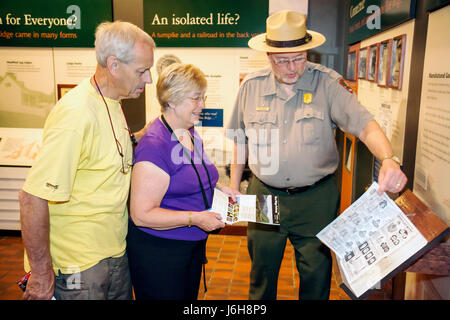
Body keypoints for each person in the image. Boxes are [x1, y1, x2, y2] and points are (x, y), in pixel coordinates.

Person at [227, 10, 407, 300]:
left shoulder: (328, 84)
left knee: (316, 275)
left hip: (316, 198)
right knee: (261, 272)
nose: (292, 68)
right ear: (269, 57)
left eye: (299, 58)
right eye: (283, 60)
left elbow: (366, 125)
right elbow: (239, 137)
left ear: (308, 51)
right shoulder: (251, 86)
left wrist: (388, 158)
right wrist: (235, 186)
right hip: (263, 194)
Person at [18, 20, 155, 300]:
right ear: (114, 65)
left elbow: (110, 152)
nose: (149, 79)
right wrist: (42, 274)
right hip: (78, 265)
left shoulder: (113, 102)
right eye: (142, 71)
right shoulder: (76, 114)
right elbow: (31, 198)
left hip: (113, 251)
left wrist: (156, 131)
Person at [126, 63, 235, 300]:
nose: (203, 105)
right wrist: (195, 218)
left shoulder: (188, 131)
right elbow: (141, 214)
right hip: (161, 253)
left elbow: (189, 178)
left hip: (189, 246)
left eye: (203, 97)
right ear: (172, 101)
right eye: (195, 98)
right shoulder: (155, 145)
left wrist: (218, 189)